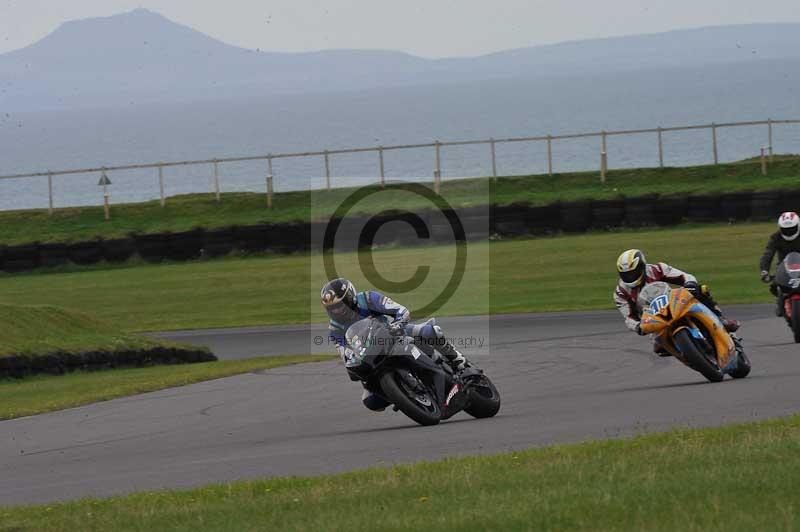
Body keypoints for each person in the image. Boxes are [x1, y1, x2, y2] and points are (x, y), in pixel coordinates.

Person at [320, 278, 470, 411]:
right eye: (331, 308)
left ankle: (458, 360)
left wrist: (398, 323)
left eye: (339, 306)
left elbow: (401, 310)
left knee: (428, 332)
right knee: (370, 400)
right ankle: (403, 393)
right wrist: (352, 365)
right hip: (370, 354)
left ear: (350, 298)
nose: (336, 311)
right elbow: (346, 354)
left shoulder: (368, 299)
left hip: (393, 333)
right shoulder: (335, 330)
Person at [614, 249, 740, 354]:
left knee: (701, 289)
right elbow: (628, 317)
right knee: (659, 348)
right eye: (626, 274)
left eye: (633, 272)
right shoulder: (621, 292)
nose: (630, 277)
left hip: (673, 301)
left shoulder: (657, 269)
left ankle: (720, 318)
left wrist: (690, 284)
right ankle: (686, 353)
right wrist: (637, 326)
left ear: (642, 266)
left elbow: (684, 276)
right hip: (653, 318)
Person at [759, 212, 800, 316]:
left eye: (791, 228)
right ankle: (780, 301)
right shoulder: (776, 237)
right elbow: (768, 254)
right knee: (774, 285)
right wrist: (764, 271)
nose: (789, 231)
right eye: (785, 229)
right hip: (784, 267)